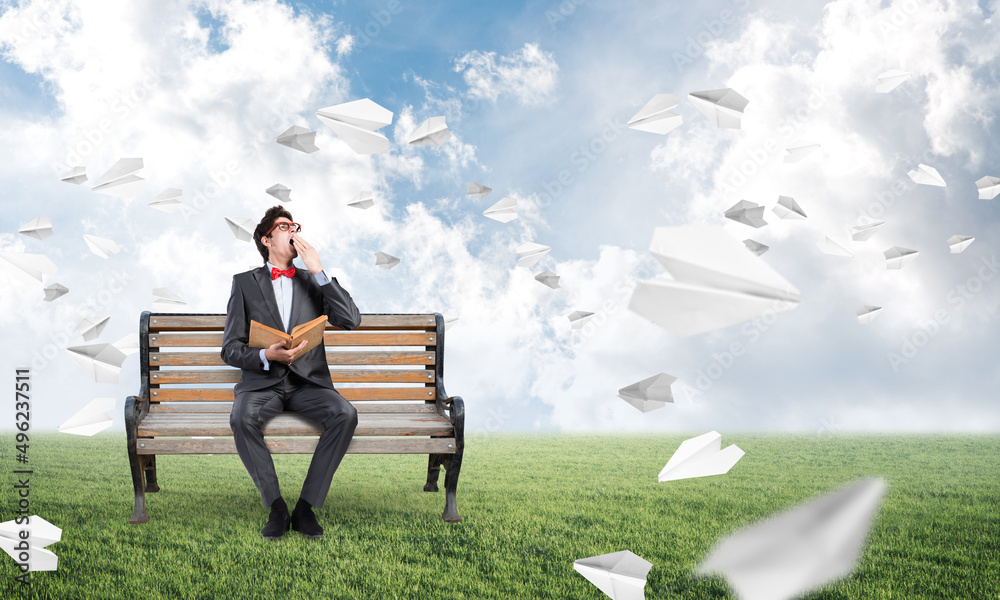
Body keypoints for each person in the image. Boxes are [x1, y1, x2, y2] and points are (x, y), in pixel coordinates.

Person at [220, 205, 362, 539]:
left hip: (307, 384)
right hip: (262, 384)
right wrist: (265, 354)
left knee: (345, 413)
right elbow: (230, 348)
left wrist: (319, 270)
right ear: (267, 239)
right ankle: (276, 507)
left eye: (296, 225)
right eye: (285, 226)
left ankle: (305, 507)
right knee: (241, 418)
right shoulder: (244, 283)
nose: (293, 231)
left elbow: (351, 320)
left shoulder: (315, 280)